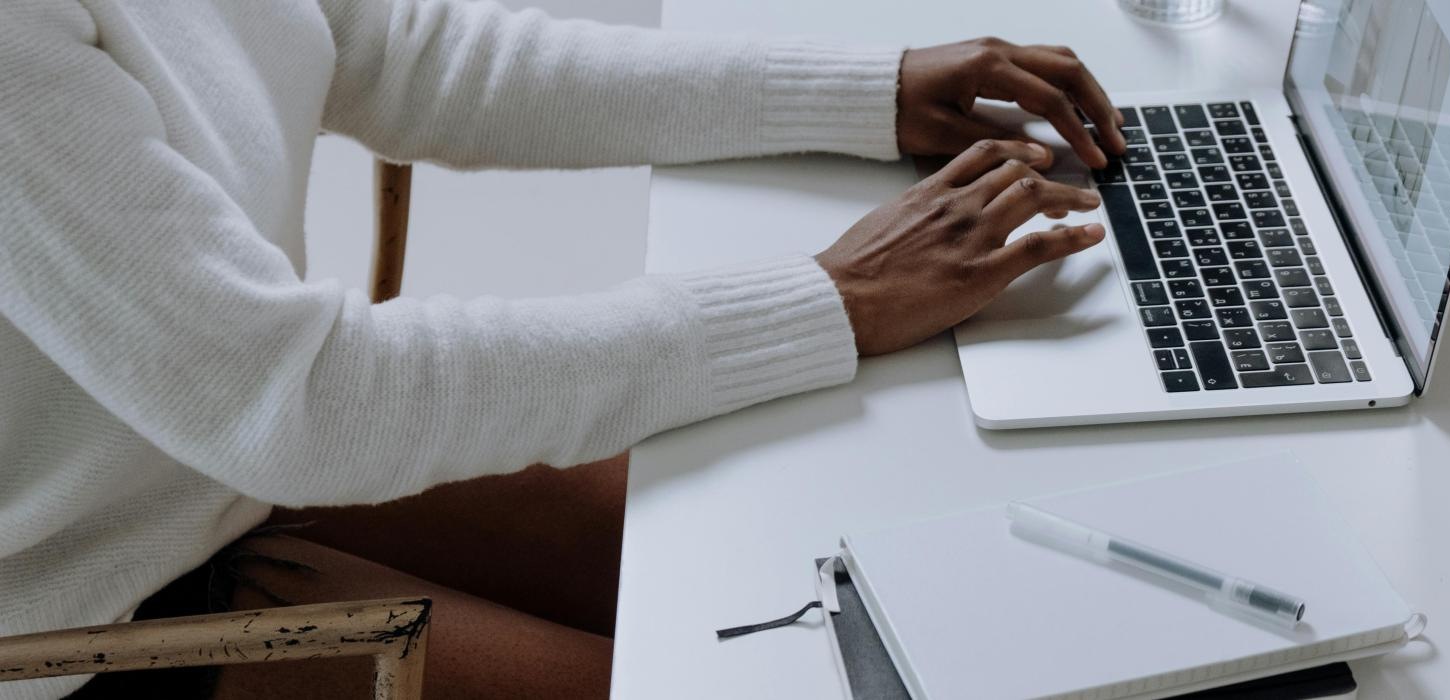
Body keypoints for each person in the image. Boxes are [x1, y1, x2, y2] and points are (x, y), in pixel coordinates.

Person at [0, 0, 1128, 697]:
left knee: (791, 555)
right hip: (75, 628)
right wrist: (830, 298)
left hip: (209, 462)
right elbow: (308, 401)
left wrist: (859, 92)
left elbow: (398, 50)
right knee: (737, 673)